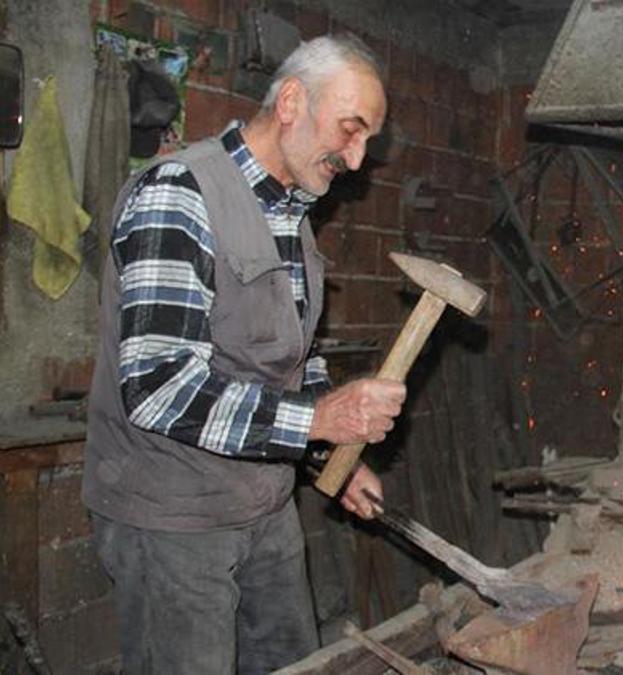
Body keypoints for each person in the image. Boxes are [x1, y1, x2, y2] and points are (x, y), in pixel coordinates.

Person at [83, 34, 405, 674]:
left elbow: (290, 361)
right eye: (351, 129)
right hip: (174, 518)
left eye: (367, 139)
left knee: (290, 664)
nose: (359, 157)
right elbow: (159, 389)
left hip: (263, 506)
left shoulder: (292, 214)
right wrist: (318, 421)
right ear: (291, 101)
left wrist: (327, 457)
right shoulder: (181, 193)